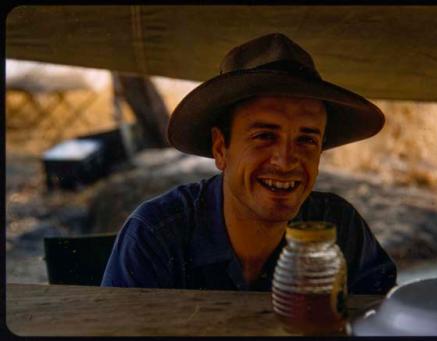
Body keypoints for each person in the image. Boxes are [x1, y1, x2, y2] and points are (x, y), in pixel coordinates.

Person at [101, 33, 397, 294]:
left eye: (306, 140)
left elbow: (385, 319)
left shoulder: (339, 228)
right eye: (264, 136)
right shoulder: (157, 236)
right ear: (221, 148)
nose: (285, 160)